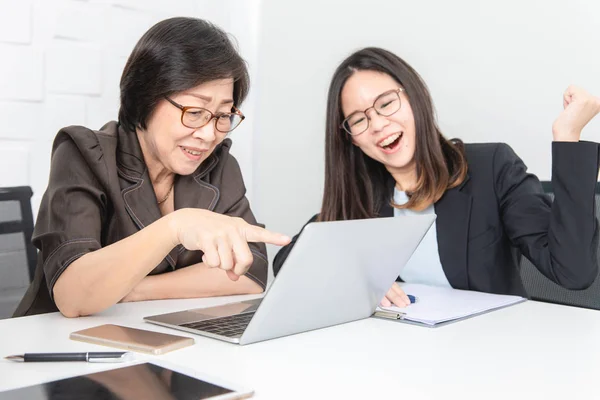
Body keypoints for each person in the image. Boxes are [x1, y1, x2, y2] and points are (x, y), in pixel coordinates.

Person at [273, 47, 600, 308]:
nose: (377, 124)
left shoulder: (491, 168)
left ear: (414, 96)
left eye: (386, 103)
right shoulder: (364, 196)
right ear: (351, 139)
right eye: (358, 120)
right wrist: (352, 280)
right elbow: (287, 262)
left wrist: (568, 137)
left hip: (489, 351)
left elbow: (573, 272)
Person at [14, 17, 290, 318]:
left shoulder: (217, 165)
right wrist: (176, 226)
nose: (210, 134)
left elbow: (250, 273)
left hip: (154, 340)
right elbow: (73, 296)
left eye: (223, 115)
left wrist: (132, 289)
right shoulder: (83, 153)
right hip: (56, 348)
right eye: (195, 112)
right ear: (145, 97)